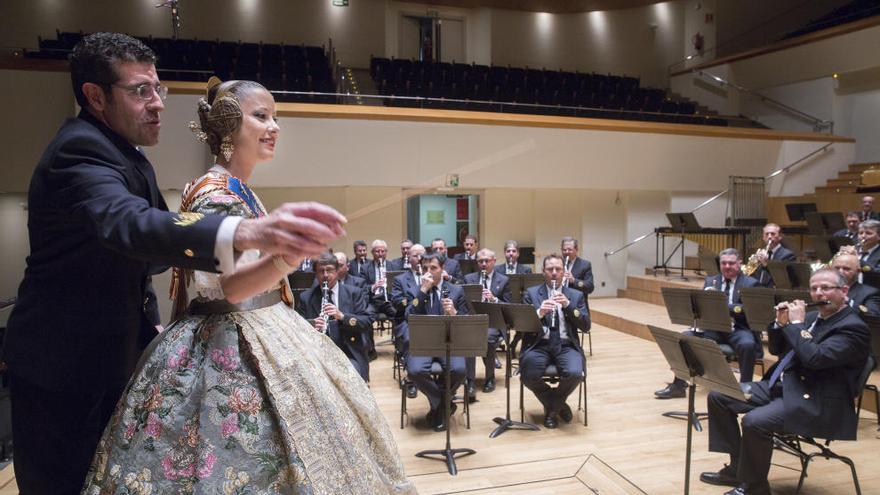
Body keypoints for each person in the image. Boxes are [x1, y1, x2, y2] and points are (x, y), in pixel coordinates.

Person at [3, 33, 346, 495]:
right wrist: (246, 234)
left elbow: (146, 252)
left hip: (113, 349)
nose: (158, 103)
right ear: (95, 96)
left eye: (158, 88)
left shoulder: (126, 154)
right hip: (64, 367)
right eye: (140, 90)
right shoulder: (78, 151)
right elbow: (129, 224)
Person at [81, 78, 414, 493]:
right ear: (228, 124)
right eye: (261, 116)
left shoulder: (236, 189)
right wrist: (287, 257)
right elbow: (232, 290)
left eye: (275, 116)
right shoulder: (216, 194)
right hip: (233, 335)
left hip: (264, 324)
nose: (274, 126)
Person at [699, 269, 870, 495]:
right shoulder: (811, 318)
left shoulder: (852, 327)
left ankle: (755, 487)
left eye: (826, 288)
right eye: (814, 288)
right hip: (784, 386)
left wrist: (795, 325)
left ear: (844, 291)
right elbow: (778, 349)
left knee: (755, 421)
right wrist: (779, 324)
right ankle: (737, 469)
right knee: (720, 396)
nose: (818, 293)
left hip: (817, 400)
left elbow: (815, 359)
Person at [655, 248, 762, 399]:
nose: (727, 267)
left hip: (738, 328)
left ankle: (745, 387)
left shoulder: (751, 284)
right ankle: (679, 385)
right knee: (684, 338)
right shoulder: (711, 280)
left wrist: (726, 306)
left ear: (739, 263)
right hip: (713, 328)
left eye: (731, 263)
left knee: (748, 345)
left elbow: (753, 310)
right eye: (723, 263)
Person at [521, 254, 590, 429]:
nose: (554, 273)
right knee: (528, 375)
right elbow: (522, 327)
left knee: (575, 373)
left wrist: (568, 305)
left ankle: (551, 410)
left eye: (558, 269)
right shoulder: (532, 293)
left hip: (566, 345)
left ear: (564, 272)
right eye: (550, 269)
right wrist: (540, 313)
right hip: (539, 344)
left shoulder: (575, 295)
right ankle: (559, 404)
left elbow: (586, 326)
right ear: (543, 272)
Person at [405, 252, 470, 432]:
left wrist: (454, 313)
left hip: (448, 341)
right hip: (424, 341)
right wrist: (423, 291)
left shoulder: (456, 290)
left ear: (443, 269)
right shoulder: (416, 289)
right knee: (415, 371)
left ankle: (438, 407)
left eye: (433, 268)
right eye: (425, 268)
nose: (428, 272)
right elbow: (409, 316)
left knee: (459, 370)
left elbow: (466, 321)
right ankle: (443, 404)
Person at [298, 253, 375, 381]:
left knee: (351, 376)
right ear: (315, 274)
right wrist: (312, 325)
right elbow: (296, 327)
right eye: (321, 271)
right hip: (317, 355)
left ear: (338, 271)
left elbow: (366, 322)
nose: (325, 275)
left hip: (349, 353)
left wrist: (342, 316)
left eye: (329, 270)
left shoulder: (354, 293)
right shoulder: (306, 297)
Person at [462, 248, 511, 396]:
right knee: (469, 340)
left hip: (494, 321)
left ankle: (490, 378)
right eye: (480, 261)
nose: (483, 264)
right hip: (473, 320)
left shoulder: (503, 280)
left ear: (494, 261)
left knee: (489, 339)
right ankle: (469, 381)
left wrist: (493, 299)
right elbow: (463, 303)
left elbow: (508, 305)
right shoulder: (469, 279)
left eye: (487, 261)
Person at [391, 243, 427, 400]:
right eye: (415, 256)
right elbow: (397, 301)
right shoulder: (400, 279)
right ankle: (412, 379)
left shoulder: (433, 275)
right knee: (409, 338)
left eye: (422, 256)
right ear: (408, 258)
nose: (419, 259)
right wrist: (416, 299)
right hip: (407, 320)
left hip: (430, 318)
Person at [831, 253, 880, 317]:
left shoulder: (871, 293)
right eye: (837, 268)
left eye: (846, 269)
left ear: (858, 271)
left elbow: (872, 316)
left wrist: (847, 300)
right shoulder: (821, 289)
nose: (840, 272)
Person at [750, 223, 796, 288]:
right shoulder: (761, 253)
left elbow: (782, 278)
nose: (769, 237)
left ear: (780, 237)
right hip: (760, 290)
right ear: (763, 237)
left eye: (773, 234)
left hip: (776, 292)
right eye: (766, 234)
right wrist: (753, 264)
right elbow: (755, 275)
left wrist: (766, 264)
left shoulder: (787, 255)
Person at [560, 236, 594, 303]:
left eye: (570, 249)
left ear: (576, 249)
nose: (567, 252)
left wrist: (574, 280)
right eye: (564, 250)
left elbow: (590, 287)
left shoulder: (585, 265)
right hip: (560, 305)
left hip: (577, 305)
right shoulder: (558, 263)